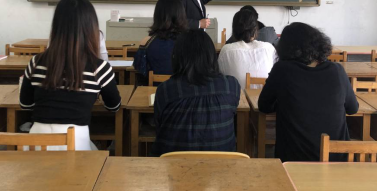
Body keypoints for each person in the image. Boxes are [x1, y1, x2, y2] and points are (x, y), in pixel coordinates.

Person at [20, 0, 121, 150]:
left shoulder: (36, 62)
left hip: (37, 143)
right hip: (76, 143)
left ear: (56, 26)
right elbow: (114, 106)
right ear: (92, 27)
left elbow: (25, 104)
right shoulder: (100, 68)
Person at [258, 22, 358, 162]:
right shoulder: (337, 70)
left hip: (294, 161)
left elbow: (264, 106)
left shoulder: (282, 70)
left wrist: (285, 102)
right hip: (336, 160)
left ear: (284, 48)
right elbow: (353, 109)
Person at [152, 30, 241, 156]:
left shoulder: (165, 90)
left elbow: (159, 126)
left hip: (173, 164)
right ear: (212, 56)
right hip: (222, 164)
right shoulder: (231, 86)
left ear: (177, 57)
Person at [132, 0, 188, 85]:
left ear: (157, 16)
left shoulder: (147, 42)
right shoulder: (190, 41)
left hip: (154, 91)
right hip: (184, 90)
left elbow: (139, 69)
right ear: (181, 15)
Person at [218, 9, 278, 88]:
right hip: (263, 94)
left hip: (238, 95)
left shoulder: (226, 51)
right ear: (255, 30)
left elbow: (220, 76)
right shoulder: (269, 48)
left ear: (234, 30)